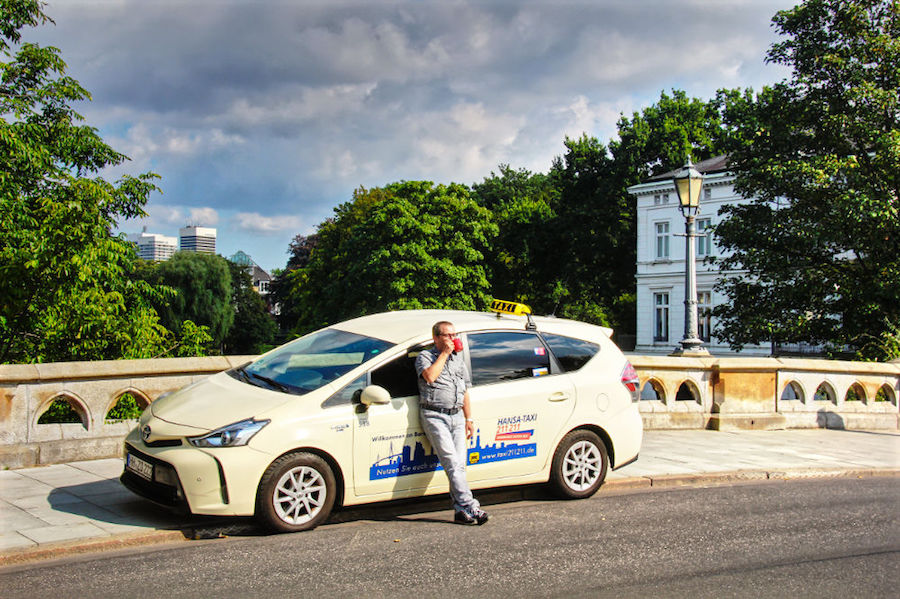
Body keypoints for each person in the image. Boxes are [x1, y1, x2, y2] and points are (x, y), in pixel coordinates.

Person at [415, 320, 489, 525]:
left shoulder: (458, 360)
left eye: (454, 335)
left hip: (456, 416)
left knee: (459, 466)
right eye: (448, 335)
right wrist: (445, 354)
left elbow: (464, 390)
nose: (452, 339)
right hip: (434, 415)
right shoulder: (425, 357)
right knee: (452, 463)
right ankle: (472, 506)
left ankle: (460, 512)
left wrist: (469, 418)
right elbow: (430, 377)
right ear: (436, 338)